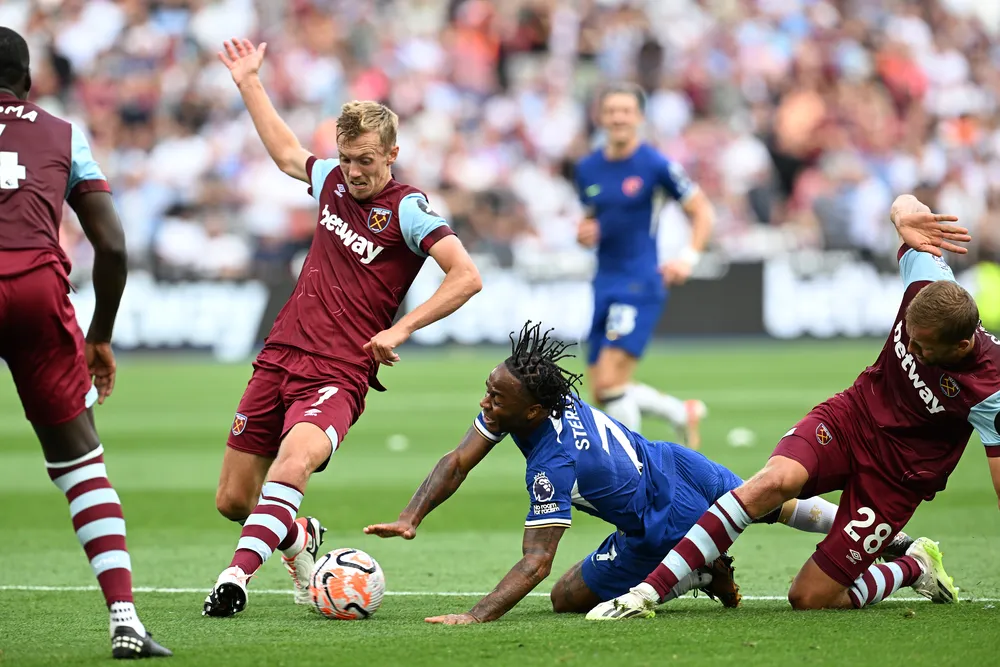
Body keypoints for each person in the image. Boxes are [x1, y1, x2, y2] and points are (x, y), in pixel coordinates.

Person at [588, 194, 995, 620]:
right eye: (907, 337)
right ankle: (644, 595)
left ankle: (914, 566)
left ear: (962, 345)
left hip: (896, 478)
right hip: (852, 418)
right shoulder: (926, 281)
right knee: (769, 484)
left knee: (810, 597)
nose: (908, 348)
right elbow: (905, 204)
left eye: (922, 347)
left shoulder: (992, 389)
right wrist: (902, 212)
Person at [202, 39, 482, 617]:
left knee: (293, 463)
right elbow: (285, 154)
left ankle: (235, 577)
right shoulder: (330, 179)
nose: (354, 172)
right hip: (280, 355)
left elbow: (466, 276)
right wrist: (248, 81)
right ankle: (298, 536)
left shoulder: (408, 209)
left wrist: (400, 331)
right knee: (234, 500)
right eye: (347, 158)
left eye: (366, 162)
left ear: (392, 155)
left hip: (338, 371)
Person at [362, 321, 860, 624]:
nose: (485, 403)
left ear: (531, 412)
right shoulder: (541, 397)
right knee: (774, 502)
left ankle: (694, 569)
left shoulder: (551, 464)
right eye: (489, 390)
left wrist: (475, 615)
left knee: (564, 598)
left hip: (658, 524)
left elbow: (537, 562)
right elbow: (457, 460)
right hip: (676, 461)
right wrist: (412, 516)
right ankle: (878, 533)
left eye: (495, 397)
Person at [0, 27, 171, 659]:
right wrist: (99, 336)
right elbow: (115, 246)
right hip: (37, 291)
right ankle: (125, 618)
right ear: (30, 82)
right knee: (80, 462)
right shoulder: (62, 131)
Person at [574, 83, 715, 448]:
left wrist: (688, 258)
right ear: (600, 117)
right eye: (611, 111)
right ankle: (679, 413)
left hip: (639, 281)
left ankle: (631, 467)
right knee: (601, 388)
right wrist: (586, 232)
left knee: (609, 382)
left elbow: (701, 211)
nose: (618, 117)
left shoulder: (655, 165)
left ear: (638, 117)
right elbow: (594, 218)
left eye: (626, 111)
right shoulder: (587, 168)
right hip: (604, 281)